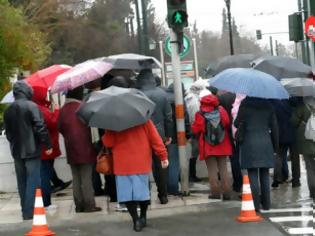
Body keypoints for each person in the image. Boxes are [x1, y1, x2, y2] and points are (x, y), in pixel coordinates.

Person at [102, 120, 168, 232]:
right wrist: (163, 155)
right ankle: (143, 216)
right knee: (142, 193)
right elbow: (155, 138)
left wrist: (106, 132)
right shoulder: (143, 119)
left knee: (126, 194)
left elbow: (108, 143)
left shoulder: (113, 123)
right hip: (141, 161)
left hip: (122, 163)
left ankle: (136, 220)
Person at [4, 81, 52, 220]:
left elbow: (8, 133)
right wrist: (47, 145)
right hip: (32, 150)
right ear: (26, 91)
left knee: (22, 181)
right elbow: (40, 127)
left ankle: (25, 210)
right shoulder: (32, 106)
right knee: (33, 180)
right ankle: (30, 212)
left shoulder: (8, 109)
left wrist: (14, 143)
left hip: (16, 150)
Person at [58, 87, 101, 213]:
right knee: (86, 178)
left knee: (76, 178)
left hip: (71, 148)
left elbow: (59, 127)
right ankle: (89, 205)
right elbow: (92, 125)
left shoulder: (63, 110)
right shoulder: (83, 107)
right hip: (85, 147)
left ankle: (78, 205)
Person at [136, 69, 173, 204]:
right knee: (161, 165)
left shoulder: (138, 94)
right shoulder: (162, 94)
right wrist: (168, 134)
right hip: (160, 133)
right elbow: (168, 117)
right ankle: (163, 194)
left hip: (142, 135)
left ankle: (145, 195)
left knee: (143, 165)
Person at [235, 97, 278, 211]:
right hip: (266, 142)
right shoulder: (268, 105)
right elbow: (274, 127)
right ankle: (267, 204)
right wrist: (275, 147)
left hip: (249, 142)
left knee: (252, 173)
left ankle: (255, 205)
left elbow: (236, 123)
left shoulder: (245, 104)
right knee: (265, 174)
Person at [192, 94, 232, 200]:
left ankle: (215, 193)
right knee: (223, 169)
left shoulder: (200, 114)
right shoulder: (221, 110)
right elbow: (227, 123)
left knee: (212, 170)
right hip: (222, 143)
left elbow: (196, 129)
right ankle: (227, 193)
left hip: (208, 145)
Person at [32, 86, 62, 207]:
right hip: (46, 147)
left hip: (40, 147)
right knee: (45, 175)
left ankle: (44, 200)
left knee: (45, 173)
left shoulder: (36, 106)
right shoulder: (40, 109)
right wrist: (56, 111)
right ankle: (46, 202)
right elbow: (53, 122)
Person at [166, 83, 191, 195]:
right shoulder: (179, 100)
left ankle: (165, 186)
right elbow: (185, 119)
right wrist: (189, 134)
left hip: (163, 135)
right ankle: (173, 188)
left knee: (164, 163)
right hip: (176, 136)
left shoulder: (163, 97)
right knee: (174, 162)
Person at [185, 80, 211, 182]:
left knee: (194, 152)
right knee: (195, 152)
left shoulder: (189, 98)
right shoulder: (194, 100)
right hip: (197, 129)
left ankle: (192, 174)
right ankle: (192, 175)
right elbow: (195, 116)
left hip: (193, 128)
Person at [217, 91, 243, 193]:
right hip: (241, 129)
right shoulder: (242, 97)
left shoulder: (223, 98)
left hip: (228, 130)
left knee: (234, 157)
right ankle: (245, 181)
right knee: (243, 156)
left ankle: (237, 183)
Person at [291, 97, 315, 198]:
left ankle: (313, 192)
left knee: (310, 168)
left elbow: (293, 122)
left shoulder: (302, 107)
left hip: (307, 142)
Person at [270, 100, 294, 188]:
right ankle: (286, 175)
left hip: (279, 134)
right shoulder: (289, 102)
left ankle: (277, 178)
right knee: (285, 156)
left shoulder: (273, 104)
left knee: (279, 156)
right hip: (289, 134)